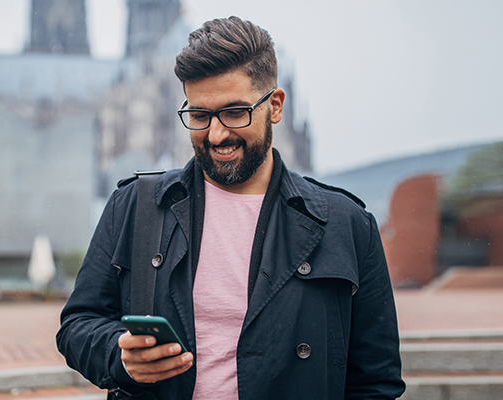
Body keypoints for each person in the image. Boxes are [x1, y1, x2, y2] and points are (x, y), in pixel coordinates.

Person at [55, 16, 405, 400]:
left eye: (235, 112)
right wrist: (119, 356)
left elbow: (375, 381)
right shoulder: (137, 205)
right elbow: (78, 325)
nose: (217, 134)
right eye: (200, 116)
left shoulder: (346, 224)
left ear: (274, 106)